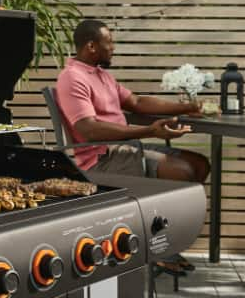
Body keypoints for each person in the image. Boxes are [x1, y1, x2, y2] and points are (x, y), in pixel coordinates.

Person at [55, 19, 210, 272]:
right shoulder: (72, 78)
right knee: (182, 172)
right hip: (102, 158)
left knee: (199, 165)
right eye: (110, 42)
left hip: (125, 149)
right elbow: (88, 129)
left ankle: (162, 239)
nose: (114, 48)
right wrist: (149, 130)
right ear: (92, 46)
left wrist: (189, 107)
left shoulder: (102, 75)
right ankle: (159, 247)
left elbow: (136, 102)